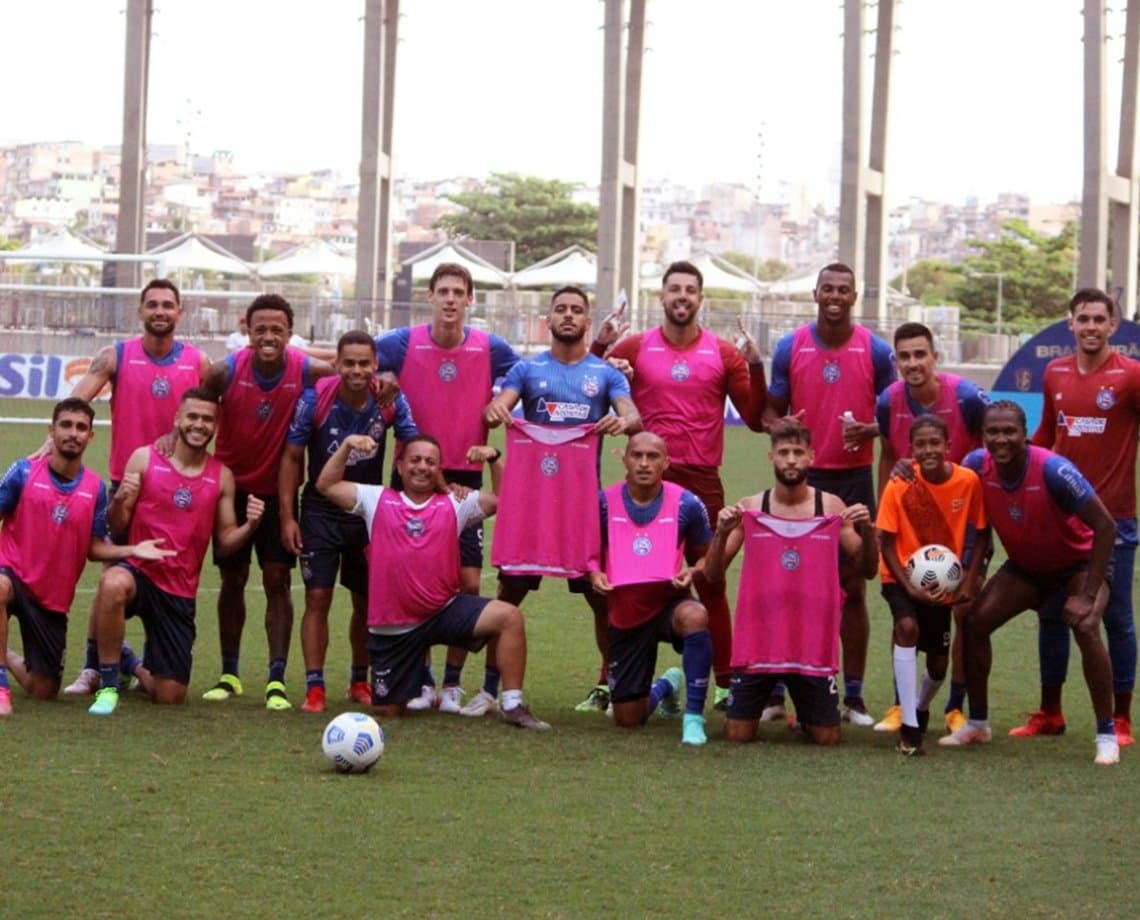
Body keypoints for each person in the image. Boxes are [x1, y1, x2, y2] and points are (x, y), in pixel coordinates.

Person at [591, 260, 767, 711]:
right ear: (663, 297)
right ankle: (610, 681)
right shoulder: (636, 346)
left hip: (701, 483)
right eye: (674, 289)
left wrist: (755, 366)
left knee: (711, 582)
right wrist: (600, 345)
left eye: (690, 289)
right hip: (646, 480)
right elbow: (586, 384)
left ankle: (726, 685)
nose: (682, 296)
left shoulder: (723, 353)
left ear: (700, 299)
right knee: (622, 583)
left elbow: (752, 415)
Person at [317, 433, 549, 729]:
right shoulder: (376, 498)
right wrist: (348, 445)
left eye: (430, 462)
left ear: (439, 470)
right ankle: (413, 684)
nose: (422, 467)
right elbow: (327, 484)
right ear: (399, 466)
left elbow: (506, 500)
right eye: (415, 460)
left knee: (510, 617)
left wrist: (493, 458)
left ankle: (513, 704)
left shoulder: (455, 503)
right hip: (394, 628)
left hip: (443, 611)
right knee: (389, 710)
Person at [480, 285, 640, 714]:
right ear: (548, 320)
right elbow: (499, 406)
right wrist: (497, 410)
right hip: (532, 503)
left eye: (576, 311)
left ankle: (609, 686)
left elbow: (634, 414)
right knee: (508, 592)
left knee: (600, 595)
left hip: (581, 505)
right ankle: (488, 689)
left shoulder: (606, 375)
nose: (568, 316)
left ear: (588, 322)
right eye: (560, 310)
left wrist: (622, 420)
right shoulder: (528, 371)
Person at [374, 262, 520, 713]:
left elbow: (529, 375)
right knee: (410, 580)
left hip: (465, 478)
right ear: (430, 297)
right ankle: (422, 680)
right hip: (413, 476)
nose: (451, 299)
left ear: (471, 300)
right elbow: (352, 359)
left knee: (468, 580)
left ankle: (453, 684)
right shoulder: (402, 342)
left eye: (460, 292)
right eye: (444, 291)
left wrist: (502, 397)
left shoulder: (489, 347)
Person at [941, 402, 1120, 766]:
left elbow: (1106, 527)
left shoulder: (1054, 470)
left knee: (1086, 626)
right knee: (973, 621)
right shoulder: (976, 465)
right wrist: (975, 573)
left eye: (1010, 431)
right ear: (984, 435)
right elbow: (972, 518)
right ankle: (978, 722)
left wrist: (1088, 595)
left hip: (1079, 565)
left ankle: (1106, 734)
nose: (1001, 439)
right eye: (993, 431)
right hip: (1028, 568)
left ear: (1026, 434)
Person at [58, 278, 210, 695]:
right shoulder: (117, 357)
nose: (160, 311)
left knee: (169, 575)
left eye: (168, 305)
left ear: (181, 313)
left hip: (180, 491)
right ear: (141, 312)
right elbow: (77, 403)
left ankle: (142, 662)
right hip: (126, 484)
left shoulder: (197, 362)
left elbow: (217, 411)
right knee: (112, 576)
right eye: (153, 305)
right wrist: (50, 444)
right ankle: (94, 667)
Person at [763, 263, 895, 725]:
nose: (835, 296)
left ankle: (854, 697)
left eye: (843, 290)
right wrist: (781, 426)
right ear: (814, 294)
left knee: (854, 585)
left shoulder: (875, 351)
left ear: (855, 296)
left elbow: (897, 413)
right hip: (801, 481)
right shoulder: (790, 346)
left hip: (854, 480)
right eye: (827, 289)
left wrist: (872, 428)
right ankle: (776, 691)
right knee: (786, 584)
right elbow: (769, 411)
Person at [199, 294, 340, 711]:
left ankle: (276, 679)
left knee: (278, 581)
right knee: (233, 579)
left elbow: (349, 371)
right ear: (247, 330)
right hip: (231, 492)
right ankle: (229, 673)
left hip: (280, 494)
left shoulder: (307, 370)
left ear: (290, 334)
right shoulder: (225, 372)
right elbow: (196, 409)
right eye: (260, 328)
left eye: (277, 329)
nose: (268, 336)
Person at [86, 388, 264, 715]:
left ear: (216, 426)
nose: (198, 425)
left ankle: (132, 664)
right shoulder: (144, 458)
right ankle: (109, 687)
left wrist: (250, 527)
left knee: (170, 696)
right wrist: (121, 501)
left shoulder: (221, 476)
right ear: (177, 419)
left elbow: (224, 541)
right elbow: (116, 523)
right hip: (140, 573)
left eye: (207, 419)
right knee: (112, 583)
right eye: (192, 416)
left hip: (179, 591)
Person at [705, 418, 877, 745]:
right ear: (771, 457)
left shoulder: (830, 508)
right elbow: (713, 574)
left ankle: (805, 714)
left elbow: (868, 569)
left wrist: (868, 533)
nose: (791, 459)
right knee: (737, 735)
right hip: (759, 646)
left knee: (827, 738)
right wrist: (721, 534)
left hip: (811, 648)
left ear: (811, 457)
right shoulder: (751, 507)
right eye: (783, 452)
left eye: (798, 452)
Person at [1020, 288, 1140, 746]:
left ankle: (1122, 719)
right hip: (1062, 519)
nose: (1090, 326)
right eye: (1082, 319)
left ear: (1113, 325)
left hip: (1117, 520)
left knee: (1117, 620)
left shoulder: (1131, 377)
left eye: (1098, 319)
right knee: (1052, 614)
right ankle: (1051, 712)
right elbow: (1046, 437)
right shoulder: (1054, 373)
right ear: (1070, 323)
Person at [0, 399, 172, 715]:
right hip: (11, 575)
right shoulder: (23, 472)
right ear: (51, 431)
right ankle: (0, 687)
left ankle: (5, 654)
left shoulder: (95, 488)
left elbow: (93, 548)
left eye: (81, 427)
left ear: (91, 436)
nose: (73, 433)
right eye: (66, 425)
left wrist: (131, 550)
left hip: (50, 600)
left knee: (44, 690)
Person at [279, 330, 418, 713]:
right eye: (349, 363)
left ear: (375, 366)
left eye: (364, 363)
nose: (357, 370)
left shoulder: (389, 400)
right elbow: (291, 459)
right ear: (337, 364)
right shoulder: (314, 399)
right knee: (317, 597)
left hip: (368, 511)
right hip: (320, 510)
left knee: (367, 599)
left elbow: (415, 447)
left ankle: (360, 679)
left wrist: (407, 505)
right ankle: (314, 687)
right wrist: (288, 517)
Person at [873, 321, 988, 733]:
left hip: (961, 513)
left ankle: (954, 705)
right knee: (905, 615)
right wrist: (883, 512)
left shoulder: (967, 397)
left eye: (920, 354)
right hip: (912, 513)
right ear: (896, 361)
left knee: (964, 610)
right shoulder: (889, 400)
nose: (913, 363)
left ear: (935, 356)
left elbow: (989, 444)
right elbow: (887, 456)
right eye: (904, 356)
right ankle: (900, 705)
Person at [587, 432, 714, 745]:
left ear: (666, 462)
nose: (644, 463)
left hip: (669, 603)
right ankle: (667, 685)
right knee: (628, 719)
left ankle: (694, 720)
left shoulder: (687, 503)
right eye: (637, 456)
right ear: (625, 460)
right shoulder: (603, 503)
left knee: (695, 615)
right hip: (626, 611)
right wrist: (594, 574)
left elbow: (708, 559)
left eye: (653, 456)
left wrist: (693, 572)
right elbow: (587, 553)